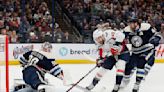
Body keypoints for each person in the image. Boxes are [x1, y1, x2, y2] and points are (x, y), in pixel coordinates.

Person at [86, 24, 130, 92]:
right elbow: (102, 55)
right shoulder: (99, 45)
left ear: (102, 35)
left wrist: (116, 45)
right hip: (112, 56)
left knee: (120, 67)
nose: (99, 40)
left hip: (122, 53)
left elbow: (121, 35)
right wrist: (100, 60)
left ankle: (116, 86)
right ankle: (92, 85)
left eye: (99, 38)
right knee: (102, 70)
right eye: (97, 39)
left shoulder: (108, 33)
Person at [122, 19, 162, 92]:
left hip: (146, 49)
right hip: (135, 51)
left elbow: (157, 34)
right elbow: (121, 38)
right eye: (129, 24)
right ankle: (124, 82)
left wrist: (156, 39)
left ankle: (137, 83)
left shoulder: (146, 27)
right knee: (128, 66)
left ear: (136, 23)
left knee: (141, 64)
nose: (130, 25)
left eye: (131, 23)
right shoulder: (127, 30)